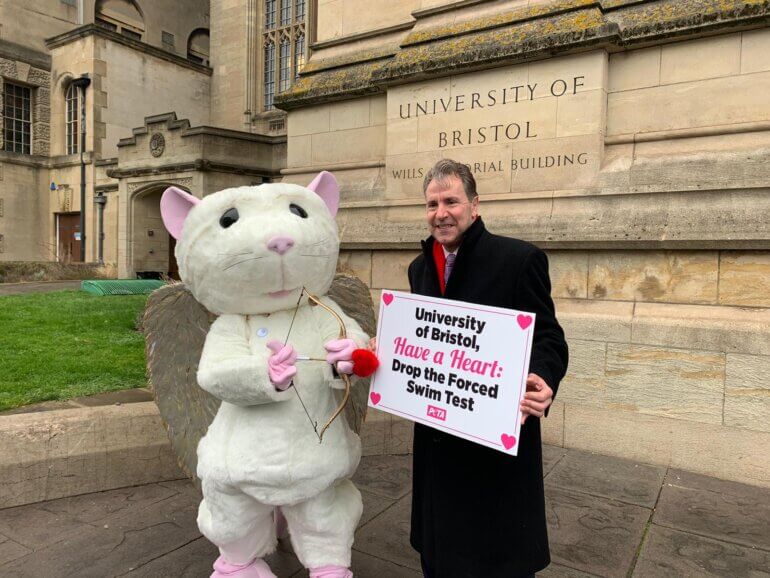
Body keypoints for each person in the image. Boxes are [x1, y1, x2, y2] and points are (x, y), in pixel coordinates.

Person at [397, 158, 568, 577]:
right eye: (432, 204)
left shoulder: (518, 260)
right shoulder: (419, 269)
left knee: (494, 556)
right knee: (441, 554)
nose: (441, 213)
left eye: (451, 201)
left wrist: (544, 378)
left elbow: (548, 337)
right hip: (438, 438)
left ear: (474, 205)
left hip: (494, 443)